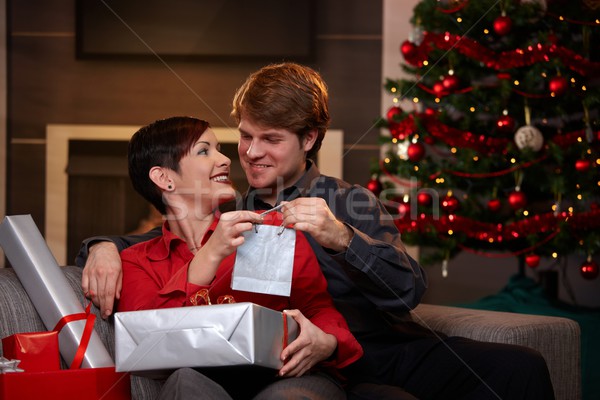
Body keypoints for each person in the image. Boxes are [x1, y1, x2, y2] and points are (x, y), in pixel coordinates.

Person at [78, 63, 555, 400]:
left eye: (271, 139)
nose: (250, 152)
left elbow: (408, 290)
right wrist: (101, 247)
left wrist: (342, 238)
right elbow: (166, 242)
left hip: (374, 347)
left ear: (308, 140)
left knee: (519, 367)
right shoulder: (234, 211)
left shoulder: (350, 202)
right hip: (292, 360)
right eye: (245, 135)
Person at [118, 116, 363, 400]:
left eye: (220, 148)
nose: (225, 159)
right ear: (164, 178)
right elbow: (146, 344)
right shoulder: (137, 262)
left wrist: (327, 340)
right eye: (204, 150)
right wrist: (211, 254)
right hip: (206, 384)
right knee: (184, 383)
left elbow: (318, 308)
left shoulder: (269, 231)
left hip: (288, 377)